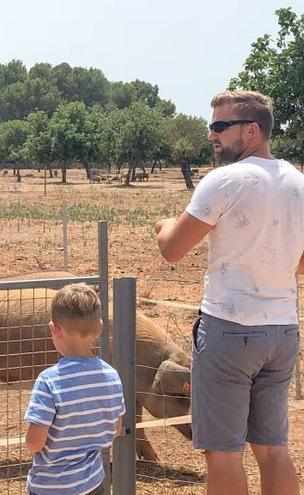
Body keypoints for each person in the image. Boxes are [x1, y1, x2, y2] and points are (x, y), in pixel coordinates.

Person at [154, 90, 303, 495]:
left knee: (222, 453)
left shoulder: (223, 180)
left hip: (229, 329)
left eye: (221, 126)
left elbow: (173, 250)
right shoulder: (298, 182)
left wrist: (164, 223)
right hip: (282, 331)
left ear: (252, 129)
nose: (212, 134)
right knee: (273, 448)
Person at [24, 284, 124, 495]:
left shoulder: (49, 381)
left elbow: (34, 442)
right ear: (99, 327)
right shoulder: (112, 376)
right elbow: (115, 429)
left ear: (54, 329)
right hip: (93, 483)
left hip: (49, 487)